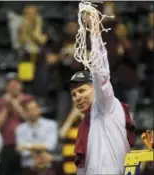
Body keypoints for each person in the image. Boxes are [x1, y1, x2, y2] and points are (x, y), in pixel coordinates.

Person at [64, 15, 135, 175]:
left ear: (94, 89)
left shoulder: (106, 106)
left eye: (82, 91)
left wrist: (95, 35)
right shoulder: (86, 124)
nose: (77, 97)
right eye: (74, 94)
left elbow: (100, 74)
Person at [0, 73, 31, 175]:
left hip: (27, 145)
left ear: (21, 85)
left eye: (16, 83)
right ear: (6, 87)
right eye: (10, 84)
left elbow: (31, 120)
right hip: (6, 146)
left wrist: (15, 105)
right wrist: (6, 108)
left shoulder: (28, 99)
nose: (14, 86)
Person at [15, 96, 58, 175]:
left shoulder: (51, 124)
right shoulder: (20, 128)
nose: (32, 111)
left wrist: (27, 146)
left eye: (34, 108)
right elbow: (22, 151)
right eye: (29, 109)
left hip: (47, 167)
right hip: (28, 168)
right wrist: (41, 152)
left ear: (39, 110)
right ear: (25, 112)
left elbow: (50, 145)